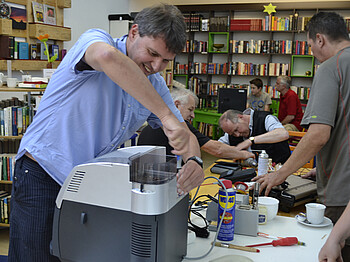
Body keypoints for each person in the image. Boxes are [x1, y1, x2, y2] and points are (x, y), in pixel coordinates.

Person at [9, 4, 204, 262]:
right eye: (152, 53)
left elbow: (186, 134)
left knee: (73, 255)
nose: (157, 66)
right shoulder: (96, 40)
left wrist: (195, 161)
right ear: (134, 32)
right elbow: (108, 58)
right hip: (42, 174)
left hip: (87, 186)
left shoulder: (154, 83)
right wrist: (166, 116)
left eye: (166, 61)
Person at [254, 12, 350, 261]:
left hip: (342, 194)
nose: (312, 53)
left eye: (309, 45)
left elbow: (318, 135)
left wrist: (280, 173)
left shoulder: (332, 67)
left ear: (319, 39)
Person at [138, 86, 255, 161]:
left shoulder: (151, 125)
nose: (193, 115)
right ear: (177, 105)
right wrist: (244, 154)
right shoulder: (179, 125)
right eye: (190, 109)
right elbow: (216, 148)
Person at [218, 109, 290, 164]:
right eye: (233, 134)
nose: (237, 135)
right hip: (249, 173)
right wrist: (234, 152)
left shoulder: (265, 118)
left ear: (240, 117)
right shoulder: (231, 130)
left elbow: (283, 134)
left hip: (279, 170)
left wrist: (251, 141)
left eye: (236, 129)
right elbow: (218, 147)